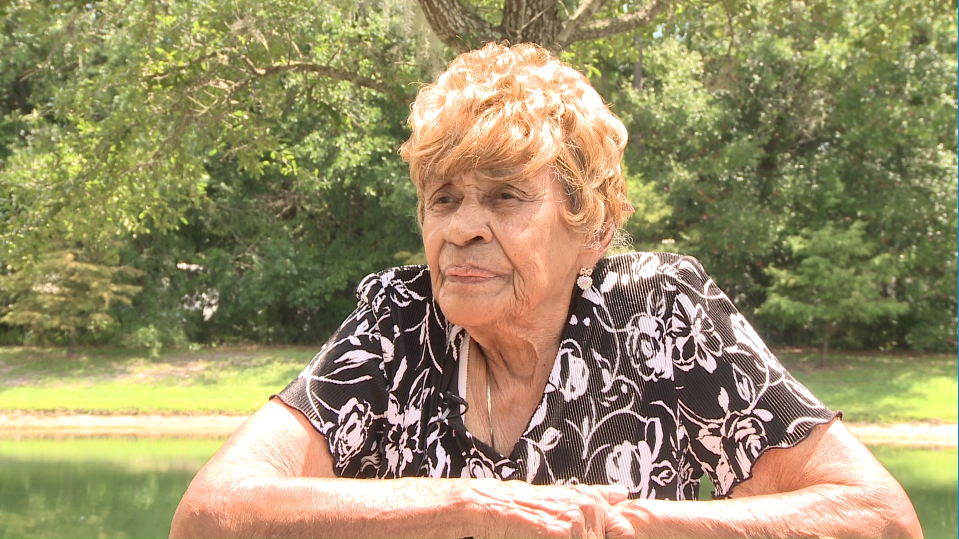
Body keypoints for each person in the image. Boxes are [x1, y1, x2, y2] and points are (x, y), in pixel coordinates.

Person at [170, 42, 922, 538]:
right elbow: (210, 514)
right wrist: (468, 506)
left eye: (504, 197)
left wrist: (613, 523)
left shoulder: (660, 315)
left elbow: (879, 518)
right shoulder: (396, 323)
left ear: (591, 224)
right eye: (442, 198)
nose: (462, 227)